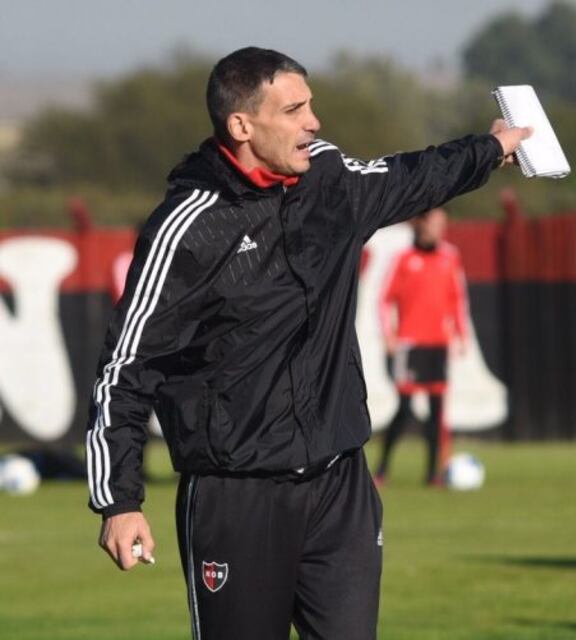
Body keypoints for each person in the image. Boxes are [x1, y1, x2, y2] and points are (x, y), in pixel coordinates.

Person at [85, 46, 530, 640]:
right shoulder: (186, 227)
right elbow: (125, 368)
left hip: (339, 484)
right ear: (242, 125)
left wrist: (491, 148)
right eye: (294, 110)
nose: (314, 122)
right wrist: (120, 500)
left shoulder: (328, 178)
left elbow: (410, 176)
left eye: (311, 105)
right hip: (236, 496)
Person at [374, 207, 467, 486]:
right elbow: (383, 300)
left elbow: (457, 300)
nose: (439, 229)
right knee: (404, 408)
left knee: (437, 411)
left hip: (438, 343)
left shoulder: (449, 258)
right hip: (410, 344)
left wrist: (461, 335)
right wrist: (389, 335)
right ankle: (382, 470)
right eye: (435, 223)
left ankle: (433, 474)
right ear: (421, 225)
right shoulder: (403, 260)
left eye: (443, 224)